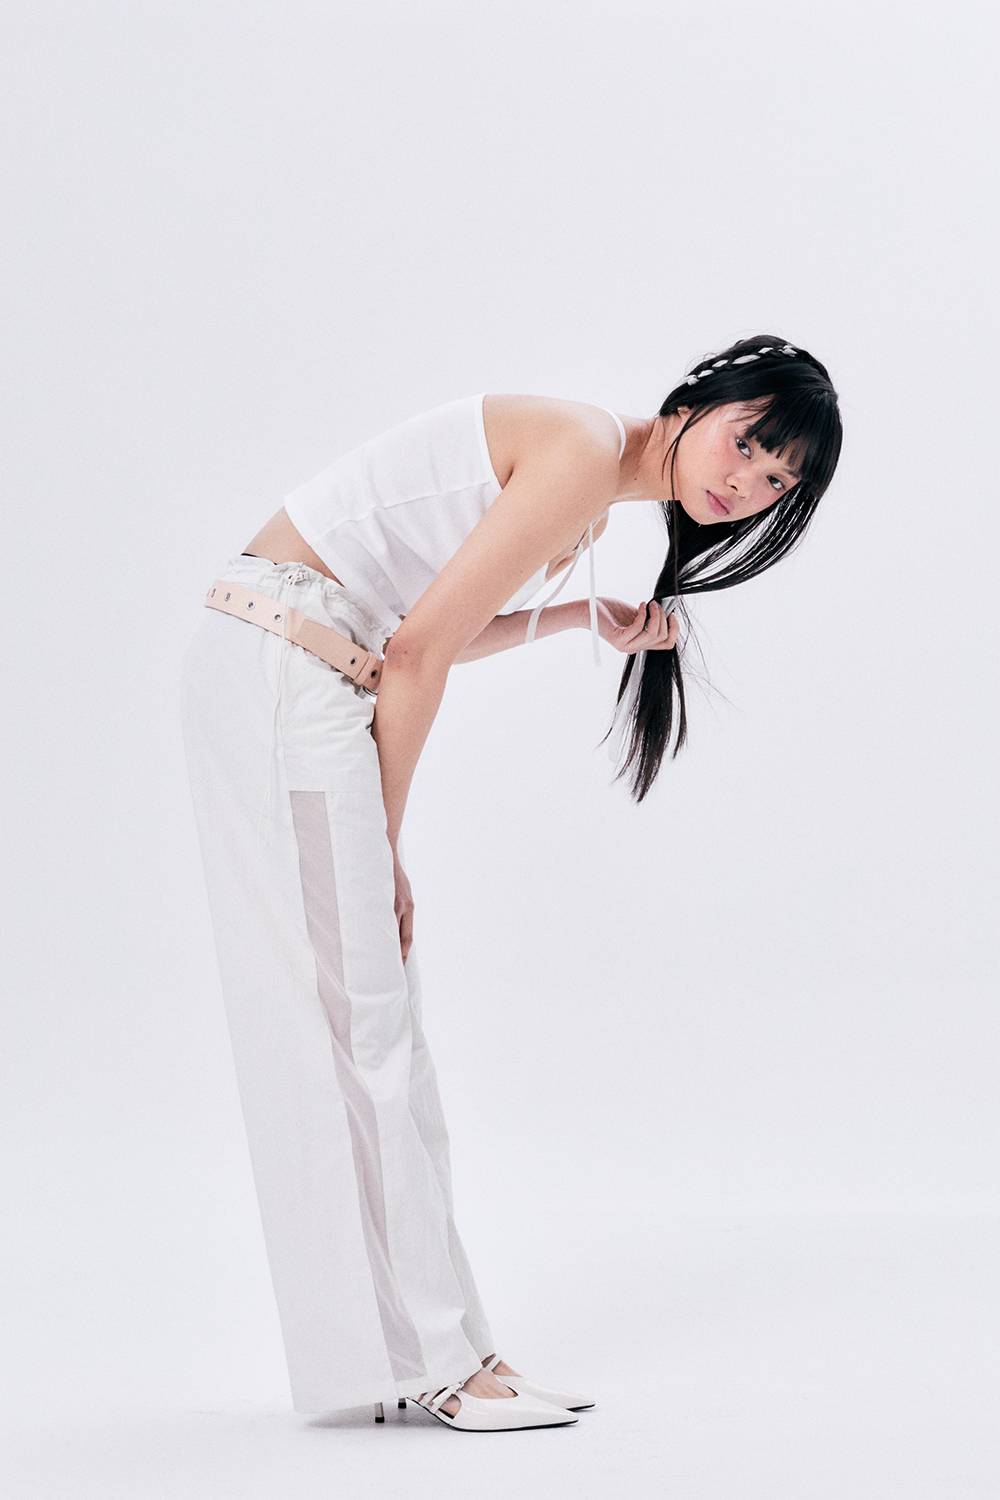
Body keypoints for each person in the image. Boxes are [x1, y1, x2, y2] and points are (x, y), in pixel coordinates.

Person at [178, 333, 843, 1433]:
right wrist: (386, 845)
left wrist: (574, 616)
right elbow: (413, 656)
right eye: (748, 444)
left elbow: (415, 626)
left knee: (379, 1037)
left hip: (306, 661)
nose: (747, 486)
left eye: (777, 482)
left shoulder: (588, 500)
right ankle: (428, 1362)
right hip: (283, 666)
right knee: (361, 1036)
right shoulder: (580, 450)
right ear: (693, 403)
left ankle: (451, 1352)